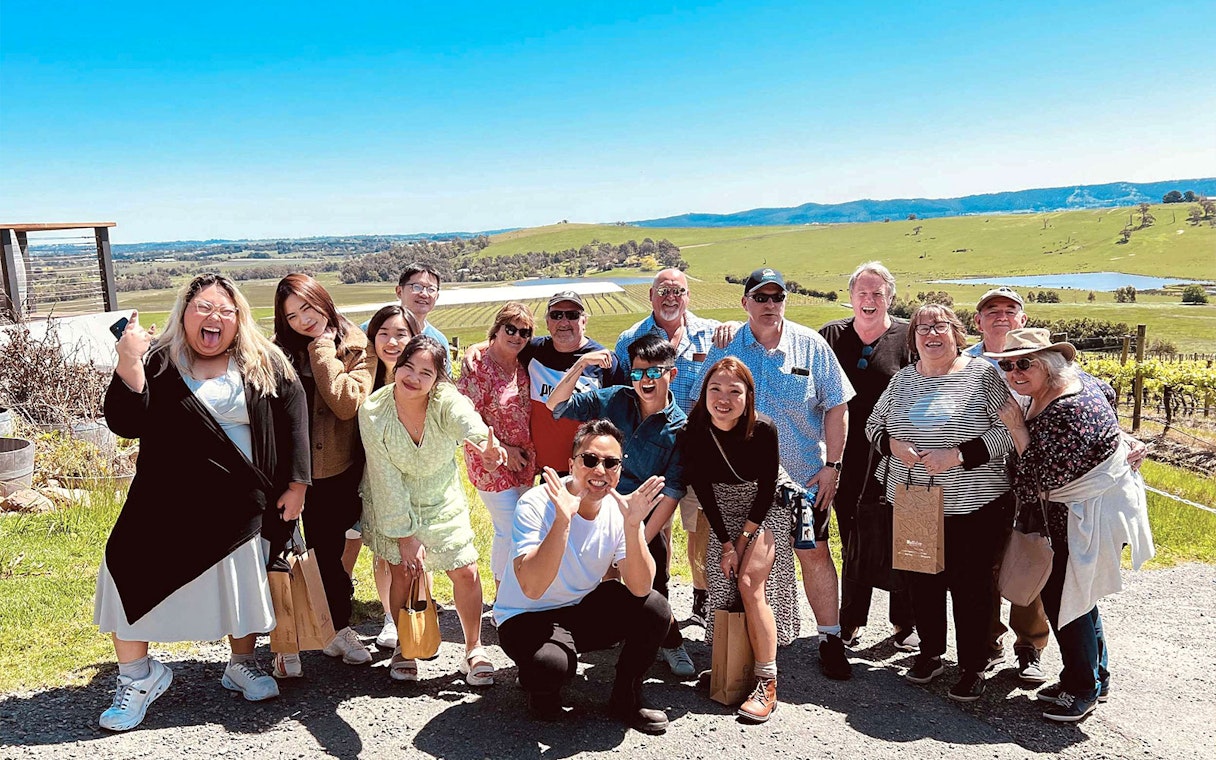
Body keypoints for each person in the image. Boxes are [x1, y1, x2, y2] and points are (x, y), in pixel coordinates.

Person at [94, 274, 310, 731]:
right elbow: (125, 422)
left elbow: (295, 417)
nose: (214, 318)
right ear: (184, 313)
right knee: (127, 567)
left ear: (238, 319)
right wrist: (128, 361)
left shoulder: (264, 362)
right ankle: (138, 677)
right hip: (163, 501)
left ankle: (241, 664)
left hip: (242, 502)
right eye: (203, 309)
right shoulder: (156, 361)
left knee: (240, 586)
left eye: (225, 311)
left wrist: (298, 484)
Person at [988, 328, 1154, 722]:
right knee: (1082, 594)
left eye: (1024, 363)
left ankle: (1082, 690)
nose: (1014, 373)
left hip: (1077, 516)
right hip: (1088, 510)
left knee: (1068, 601)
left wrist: (1016, 428)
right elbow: (1110, 400)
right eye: (1008, 365)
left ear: (1048, 364)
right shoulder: (1082, 383)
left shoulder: (1066, 410)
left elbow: (1032, 482)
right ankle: (1095, 677)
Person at [701, 267, 856, 680]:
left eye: (777, 297)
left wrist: (833, 466)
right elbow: (707, 400)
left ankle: (830, 638)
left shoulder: (812, 345)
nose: (770, 305)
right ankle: (749, 646)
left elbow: (837, 405)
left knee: (815, 553)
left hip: (804, 481)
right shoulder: (727, 345)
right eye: (761, 297)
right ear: (745, 302)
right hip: (746, 487)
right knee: (747, 565)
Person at [865, 303, 1015, 702]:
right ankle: (930, 653)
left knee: (972, 589)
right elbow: (872, 425)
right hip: (913, 500)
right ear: (913, 338)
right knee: (922, 582)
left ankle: (973, 666)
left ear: (956, 333)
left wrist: (960, 455)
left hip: (973, 507)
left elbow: (1010, 431)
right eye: (922, 328)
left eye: (940, 326)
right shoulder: (902, 380)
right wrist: (892, 445)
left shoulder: (983, 376)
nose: (931, 334)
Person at [493, 420, 673, 734]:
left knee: (654, 607)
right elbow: (532, 588)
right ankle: (540, 682)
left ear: (619, 469)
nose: (600, 470)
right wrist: (563, 520)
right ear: (572, 464)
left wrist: (633, 527)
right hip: (525, 616)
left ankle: (625, 696)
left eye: (611, 463)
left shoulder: (620, 510)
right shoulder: (536, 504)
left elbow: (640, 586)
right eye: (590, 460)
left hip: (579, 608)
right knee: (550, 668)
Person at [358, 335, 506, 684]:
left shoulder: (445, 400)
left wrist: (486, 444)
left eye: (426, 372)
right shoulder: (374, 411)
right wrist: (406, 537)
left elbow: (464, 417)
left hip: (442, 497)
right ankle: (405, 647)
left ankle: (473, 649)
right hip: (394, 498)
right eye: (407, 366)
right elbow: (384, 478)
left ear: (438, 378)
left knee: (466, 571)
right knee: (404, 573)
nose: (413, 376)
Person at [546, 332, 693, 677]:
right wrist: (581, 364)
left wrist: (635, 534)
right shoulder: (614, 399)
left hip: (644, 517)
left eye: (654, 372)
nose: (645, 380)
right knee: (590, 579)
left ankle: (672, 643)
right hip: (597, 510)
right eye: (638, 372)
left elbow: (671, 492)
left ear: (671, 374)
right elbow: (557, 405)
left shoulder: (680, 429)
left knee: (652, 584)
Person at [615, 268, 736, 629]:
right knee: (656, 532)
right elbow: (621, 392)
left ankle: (700, 596)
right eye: (663, 291)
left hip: (700, 449)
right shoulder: (629, 339)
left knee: (699, 527)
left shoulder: (713, 334)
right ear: (650, 296)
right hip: (652, 450)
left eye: (678, 291)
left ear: (688, 296)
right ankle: (652, 600)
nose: (671, 297)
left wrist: (733, 325)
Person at [684, 357, 800, 722]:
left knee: (750, 584)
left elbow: (767, 488)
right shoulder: (694, 430)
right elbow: (703, 488)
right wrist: (725, 543)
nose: (723, 398)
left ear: (748, 395)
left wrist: (744, 538)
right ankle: (732, 667)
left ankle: (767, 681)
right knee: (724, 587)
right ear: (704, 393)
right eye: (715, 389)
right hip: (721, 509)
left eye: (735, 391)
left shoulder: (764, 428)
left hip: (763, 510)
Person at [271, 273, 376, 677]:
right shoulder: (277, 352)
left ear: (323, 300)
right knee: (277, 551)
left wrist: (322, 349)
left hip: (335, 468)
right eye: (293, 316)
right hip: (283, 468)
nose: (303, 320)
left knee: (328, 554)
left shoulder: (354, 345)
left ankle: (338, 627)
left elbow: (347, 403)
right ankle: (287, 639)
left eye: (308, 308)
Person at [819, 262, 918, 651]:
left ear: (890, 297)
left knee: (903, 537)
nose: (869, 300)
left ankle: (904, 622)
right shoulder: (830, 335)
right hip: (845, 455)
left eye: (878, 293)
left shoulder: (908, 337)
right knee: (854, 537)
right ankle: (851, 619)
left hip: (899, 457)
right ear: (851, 296)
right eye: (862, 292)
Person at [962, 286, 1050, 680]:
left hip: (1032, 481)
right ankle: (987, 640)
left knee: (1029, 559)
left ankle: (1029, 646)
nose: (1001, 315)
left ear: (1023, 320)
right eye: (991, 310)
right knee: (984, 565)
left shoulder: (1044, 360)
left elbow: (1086, 396)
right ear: (977, 321)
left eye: (1009, 310)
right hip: (981, 481)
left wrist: (1128, 440)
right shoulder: (961, 363)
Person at [462, 290, 621, 473]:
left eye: (572, 315)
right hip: (547, 469)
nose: (563, 322)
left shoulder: (603, 361)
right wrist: (475, 347)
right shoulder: (535, 350)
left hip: (588, 469)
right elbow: (509, 340)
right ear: (547, 323)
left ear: (584, 321)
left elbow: (618, 418)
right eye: (556, 315)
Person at [456, 302, 538, 589]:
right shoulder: (477, 366)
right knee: (509, 528)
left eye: (524, 331)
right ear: (497, 328)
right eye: (510, 329)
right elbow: (464, 419)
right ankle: (504, 593)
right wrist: (504, 450)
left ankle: (520, 590)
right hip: (489, 461)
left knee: (524, 524)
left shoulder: (524, 360)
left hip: (524, 462)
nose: (517, 336)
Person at [354, 304, 421, 651]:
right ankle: (391, 617)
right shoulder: (363, 373)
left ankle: (417, 616)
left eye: (401, 334)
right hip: (373, 475)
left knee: (416, 549)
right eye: (384, 333)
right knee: (385, 551)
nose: (392, 341)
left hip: (417, 476)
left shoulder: (427, 375)